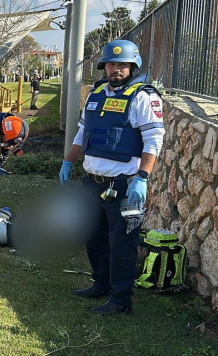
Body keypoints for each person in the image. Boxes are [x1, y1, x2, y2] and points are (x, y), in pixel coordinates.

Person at [59, 39, 165, 315]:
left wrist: (143, 176)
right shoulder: (96, 95)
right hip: (92, 182)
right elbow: (83, 133)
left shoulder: (143, 97)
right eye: (111, 64)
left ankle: (121, 300)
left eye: (122, 64)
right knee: (93, 237)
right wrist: (68, 161)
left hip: (124, 186)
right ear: (103, 67)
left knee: (122, 245)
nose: (116, 69)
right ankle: (101, 284)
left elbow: (154, 139)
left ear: (133, 66)